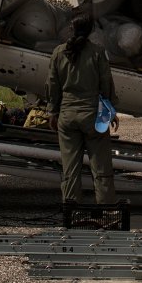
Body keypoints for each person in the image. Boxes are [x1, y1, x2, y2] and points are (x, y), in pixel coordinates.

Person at [47, 13, 117, 205]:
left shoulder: (58, 53)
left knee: (70, 169)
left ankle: (71, 211)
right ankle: (106, 210)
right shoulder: (98, 52)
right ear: (91, 31)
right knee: (101, 168)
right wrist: (110, 111)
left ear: (71, 29)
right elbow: (106, 84)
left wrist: (53, 111)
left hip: (67, 116)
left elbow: (52, 85)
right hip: (93, 116)